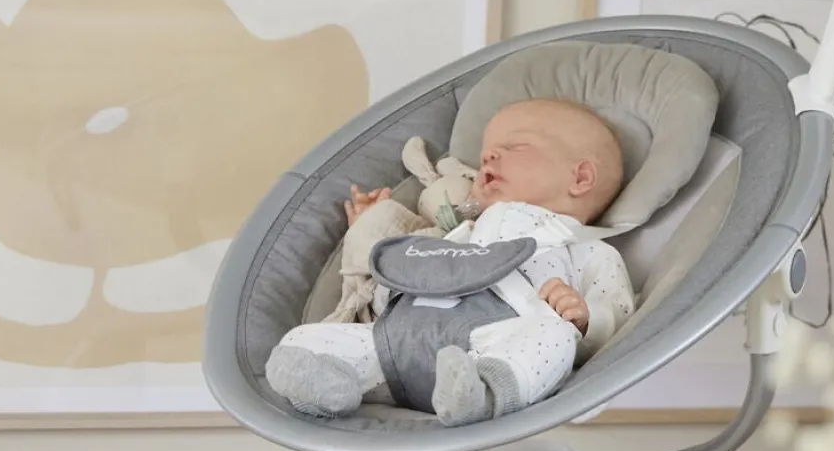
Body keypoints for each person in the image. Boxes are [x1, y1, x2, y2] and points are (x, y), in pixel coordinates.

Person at [265, 99, 635, 425]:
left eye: (514, 146)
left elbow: (617, 309)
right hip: (399, 342)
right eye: (486, 151)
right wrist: (371, 227)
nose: (487, 157)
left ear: (580, 177)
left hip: (492, 344)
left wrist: (585, 318)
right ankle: (326, 382)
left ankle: (485, 393)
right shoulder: (457, 235)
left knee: (553, 339)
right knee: (304, 340)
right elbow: (396, 276)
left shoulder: (583, 249)